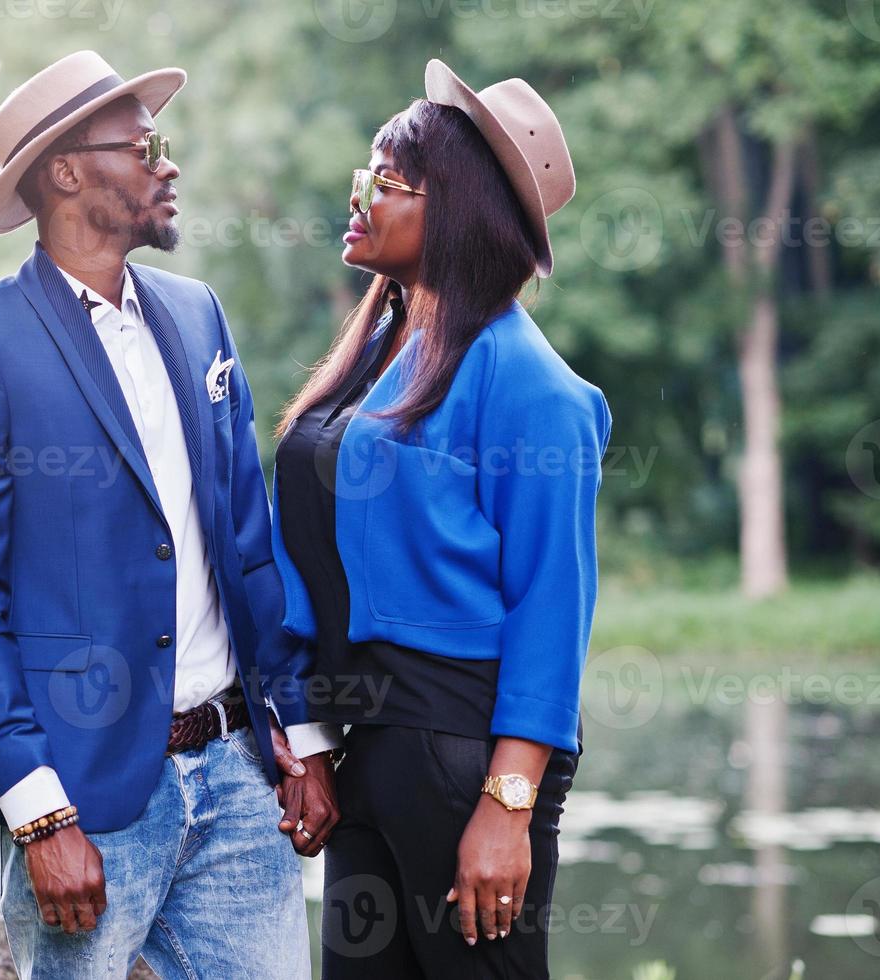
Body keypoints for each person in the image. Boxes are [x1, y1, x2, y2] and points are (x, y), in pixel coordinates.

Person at [0, 50, 340, 980]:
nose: (166, 164)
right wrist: (36, 810)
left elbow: (247, 541)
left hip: (236, 777)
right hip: (88, 797)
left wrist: (298, 735)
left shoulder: (197, 316)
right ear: (66, 172)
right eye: (146, 146)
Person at [271, 59, 612, 977]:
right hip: (367, 750)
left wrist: (506, 808)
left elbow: (552, 607)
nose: (359, 197)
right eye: (362, 177)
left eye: (384, 182)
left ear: (454, 209)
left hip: (464, 758)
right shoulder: (384, 352)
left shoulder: (533, 387)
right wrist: (304, 731)